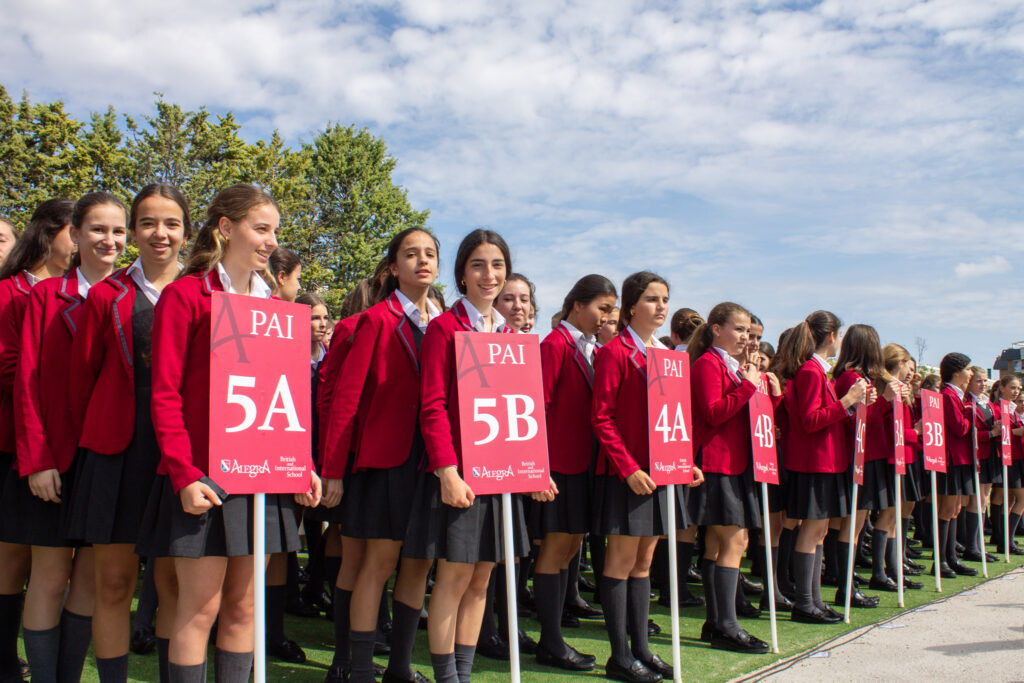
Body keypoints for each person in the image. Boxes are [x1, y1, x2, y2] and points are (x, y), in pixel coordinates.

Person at [142, 184, 321, 683]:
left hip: (263, 478)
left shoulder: (278, 309)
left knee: (245, 610)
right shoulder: (186, 295)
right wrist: (183, 473)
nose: (271, 240)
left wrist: (300, 464)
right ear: (226, 228)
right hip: (205, 480)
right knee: (199, 610)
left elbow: (283, 398)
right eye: (261, 229)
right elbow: (165, 394)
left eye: (275, 231)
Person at [66, 184, 188, 682]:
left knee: (172, 585)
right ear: (134, 231)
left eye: (172, 223)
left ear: (186, 230)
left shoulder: (207, 293)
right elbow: (81, 384)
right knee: (113, 585)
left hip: (180, 457)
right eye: (148, 223)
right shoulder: (106, 295)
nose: (160, 234)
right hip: (117, 455)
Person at [404, 229, 529, 683]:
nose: (489, 274)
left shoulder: (511, 334)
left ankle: (463, 672)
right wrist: (447, 471)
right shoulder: (444, 328)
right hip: (458, 476)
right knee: (454, 580)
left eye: (497, 265)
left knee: (481, 583)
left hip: (500, 474)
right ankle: (445, 677)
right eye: (479, 265)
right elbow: (432, 404)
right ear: (461, 274)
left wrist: (529, 466)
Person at [14, 192, 129, 682]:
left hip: (109, 460)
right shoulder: (44, 296)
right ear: (75, 235)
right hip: (55, 459)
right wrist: (37, 459)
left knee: (91, 580)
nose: (110, 240)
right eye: (98, 230)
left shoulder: (136, 295)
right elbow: (27, 382)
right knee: (48, 577)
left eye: (118, 231)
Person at [321, 228, 441, 683]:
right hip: (383, 461)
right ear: (394, 267)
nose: (422, 261)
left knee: (419, 565)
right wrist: (332, 469)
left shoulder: (448, 322)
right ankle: (355, 668)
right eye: (411, 254)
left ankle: (400, 668)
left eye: (430, 254)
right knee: (376, 564)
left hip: (432, 463)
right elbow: (346, 398)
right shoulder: (375, 320)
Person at [592, 271, 702, 683]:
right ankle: (619, 655)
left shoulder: (670, 357)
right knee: (621, 563)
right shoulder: (614, 352)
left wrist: (683, 458)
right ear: (632, 305)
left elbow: (673, 418)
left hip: (661, 474)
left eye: (665, 299)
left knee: (643, 563)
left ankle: (641, 648)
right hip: (628, 476)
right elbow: (601, 419)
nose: (661, 307)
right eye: (653, 299)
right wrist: (629, 468)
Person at [0, 198, 74, 683]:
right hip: (11, 441)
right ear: (51, 234)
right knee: (11, 556)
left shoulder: (74, 291)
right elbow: (10, 366)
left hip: (55, 442)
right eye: (78, 230)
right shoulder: (11, 293)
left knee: (46, 562)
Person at [531, 274, 617, 671]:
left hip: (583, 466)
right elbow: (539, 407)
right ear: (577, 305)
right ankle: (550, 641)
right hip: (559, 467)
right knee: (555, 548)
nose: (607, 318)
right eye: (602, 308)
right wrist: (540, 466)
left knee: (568, 550)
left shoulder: (591, 348)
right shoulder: (554, 345)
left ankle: (555, 635)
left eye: (611, 311)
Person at [686, 302, 774, 654]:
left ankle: (717, 621)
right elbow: (712, 412)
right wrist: (748, 386)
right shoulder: (708, 363)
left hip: (733, 462)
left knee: (718, 545)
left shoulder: (731, 365)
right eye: (738, 329)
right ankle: (726, 623)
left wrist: (748, 378)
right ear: (716, 329)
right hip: (717, 462)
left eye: (748, 331)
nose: (744, 337)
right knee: (734, 543)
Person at [774, 311, 869, 624]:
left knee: (819, 531)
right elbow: (810, 420)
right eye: (838, 336)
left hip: (824, 461)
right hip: (813, 462)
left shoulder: (816, 370)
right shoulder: (811, 372)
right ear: (831, 336)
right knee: (812, 530)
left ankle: (813, 599)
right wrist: (846, 401)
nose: (839, 342)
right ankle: (805, 602)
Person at [832, 325, 901, 595]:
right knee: (854, 523)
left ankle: (847, 581)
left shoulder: (861, 377)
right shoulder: (851, 378)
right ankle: (845, 586)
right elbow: (857, 422)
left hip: (871, 454)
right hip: (861, 456)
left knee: (859, 524)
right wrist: (885, 400)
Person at [931, 352, 977, 580]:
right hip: (952, 458)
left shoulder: (958, 395)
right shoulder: (948, 395)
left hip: (962, 458)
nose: (970, 373)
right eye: (968, 369)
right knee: (947, 510)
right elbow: (959, 427)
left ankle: (950, 557)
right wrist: (970, 415)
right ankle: (939, 560)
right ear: (957, 372)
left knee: (955, 508)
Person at [990, 375, 1024, 554]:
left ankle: (1005, 540)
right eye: (1012, 387)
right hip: (1008, 458)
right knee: (1019, 499)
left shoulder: (1012, 409)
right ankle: (1005, 540)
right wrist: (1018, 431)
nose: (1016, 391)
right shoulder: (999, 408)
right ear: (1001, 388)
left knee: (1010, 500)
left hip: (1016, 458)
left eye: (1018, 388)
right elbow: (1001, 433)